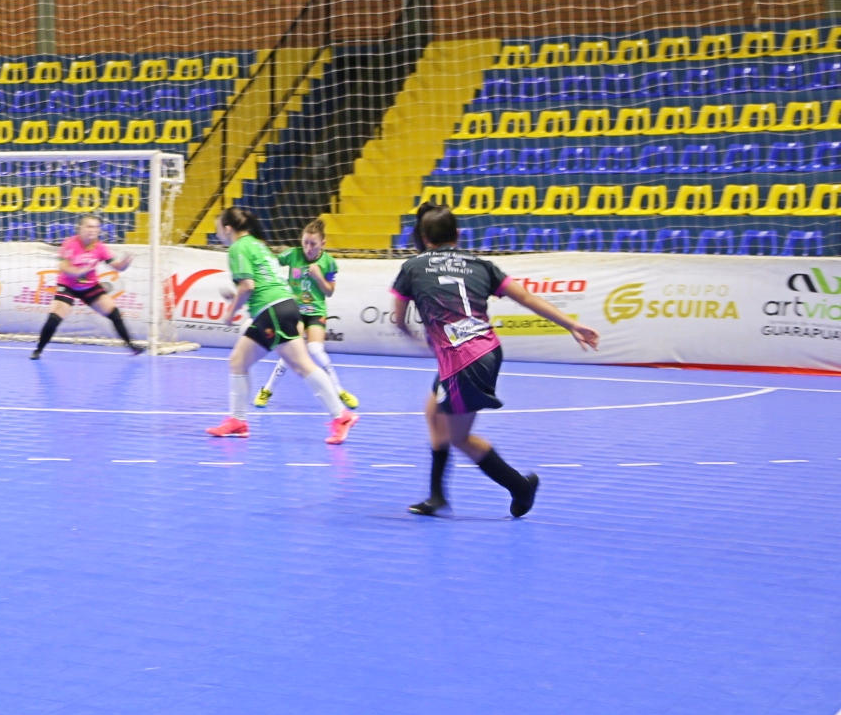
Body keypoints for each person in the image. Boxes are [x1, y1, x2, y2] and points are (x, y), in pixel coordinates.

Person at [394, 205, 599, 518]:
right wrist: (571, 324)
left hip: (462, 359)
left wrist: (416, 337)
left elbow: (398, 319)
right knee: (433, 409)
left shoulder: (412, 266)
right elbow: (527, 298)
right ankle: (437, 495)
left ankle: (520, 487)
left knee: (459, 437)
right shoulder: (481, 265)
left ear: (423, 237)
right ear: (458, 234)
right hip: (484, 350)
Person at [207, 206, 357, 443]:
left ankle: (341, 416)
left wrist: (230, 312)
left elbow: (248, 286)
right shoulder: (257, 244)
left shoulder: (238, 246)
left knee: (302, 365)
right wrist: (236, 299)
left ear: (227, 228)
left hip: (273, 311)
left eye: (218, 228)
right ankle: (238, 421)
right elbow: (260, 284)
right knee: (237, 362)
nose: (217, 233)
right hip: (279, 308)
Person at [254, 218, 359, 410]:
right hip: (293, 311)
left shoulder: (329, 263)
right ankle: (267, 390)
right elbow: (268, 263)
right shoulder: (292, 254)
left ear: (323, 244)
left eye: (313, 244)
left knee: (315, 350)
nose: (308, 248)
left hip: (315, 312)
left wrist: (318, 277)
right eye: (305, 243)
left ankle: (339, 391)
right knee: (290, 351)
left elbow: (329, 292)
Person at [31, 214, 142, 358]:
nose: (93, 230)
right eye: (89, 226)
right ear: (80, 228)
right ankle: (38, 350)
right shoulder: (70, 244)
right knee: (55, 317)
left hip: (90, 286)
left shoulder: (100, 247)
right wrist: (79, 272)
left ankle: (132, 347)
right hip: (68, 285)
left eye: (96, 227)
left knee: (114, 313)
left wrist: (123, 265)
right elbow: (64, 267)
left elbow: (117, 266)